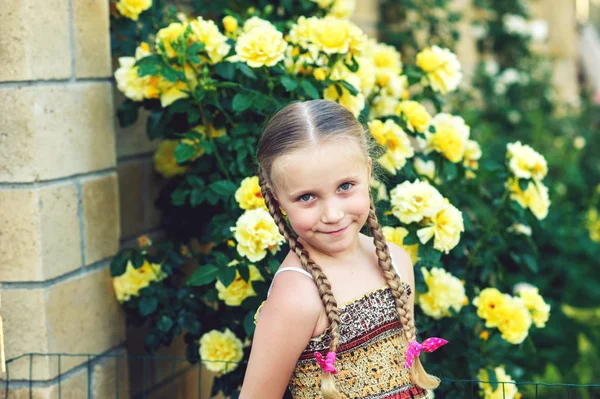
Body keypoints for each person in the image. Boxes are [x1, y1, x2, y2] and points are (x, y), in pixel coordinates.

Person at [239, 100, 445, 399]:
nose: (332, 214)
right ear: (278, 200)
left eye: (345, 186)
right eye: (307, 197)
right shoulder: (296, 295)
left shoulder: (395, 261)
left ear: (368, 173)